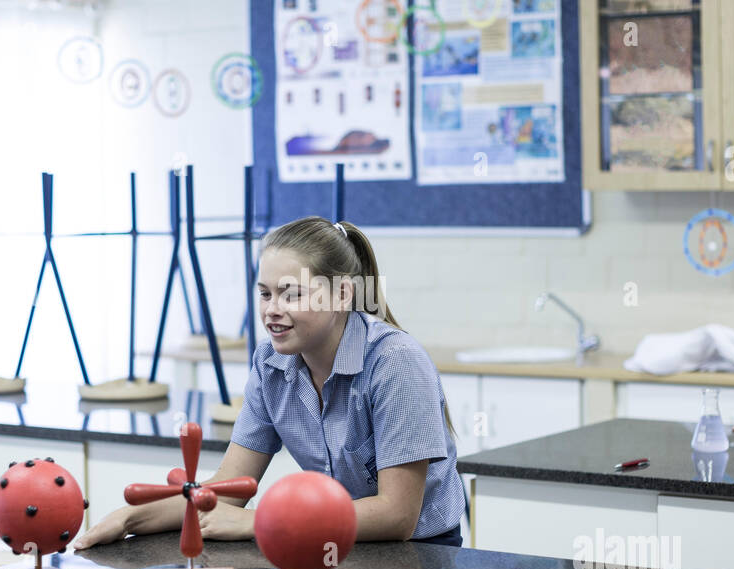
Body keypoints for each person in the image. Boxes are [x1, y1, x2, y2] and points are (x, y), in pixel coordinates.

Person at [74, 216, 467, 549]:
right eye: (264, 294)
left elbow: (395, 516)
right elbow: (229, 488)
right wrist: (131, 518)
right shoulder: (271, 362)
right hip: (327, 540)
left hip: (417, 553)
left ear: (343, 294)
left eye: (291, 294)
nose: (272, 310)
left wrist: (262, 521)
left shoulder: (395, 362)